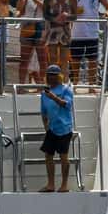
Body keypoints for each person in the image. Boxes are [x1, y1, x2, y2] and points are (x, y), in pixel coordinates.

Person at [70, 0, 108, 87]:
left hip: (92, 32)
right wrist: (74, 11)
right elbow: (67, 7)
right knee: (75, 61)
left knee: (92, 61)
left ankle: (92, 86)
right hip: (76, 33)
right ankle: (75, 85)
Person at [39, 64, 74, 192]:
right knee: (48, 156)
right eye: (49, 75)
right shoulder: (44, 93)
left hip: (64, 128)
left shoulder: (66, 90)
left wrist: (53, 97)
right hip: (52, 129)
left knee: (63, 156)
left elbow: (67, 105)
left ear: (59, 76)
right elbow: (43, 112)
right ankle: (51, 184)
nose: (51, 78)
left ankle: (64, 185)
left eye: (54, 75)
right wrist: (46, 127)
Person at [16, 0, 47, 84]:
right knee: (24, 59)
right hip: (28, 27)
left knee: (42, 60)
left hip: (41, 28)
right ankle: (21, 84)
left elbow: (46, 8)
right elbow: (19, 8)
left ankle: (43, 85)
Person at [42, 0, 78, 70]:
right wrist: (55, 19)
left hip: (65, 31)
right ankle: (53, 80)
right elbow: (45, 14)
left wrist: (67, 17)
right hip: (52, 31)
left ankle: (64, 81)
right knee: (52, 58)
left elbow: (75, 16)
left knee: (64, 59)